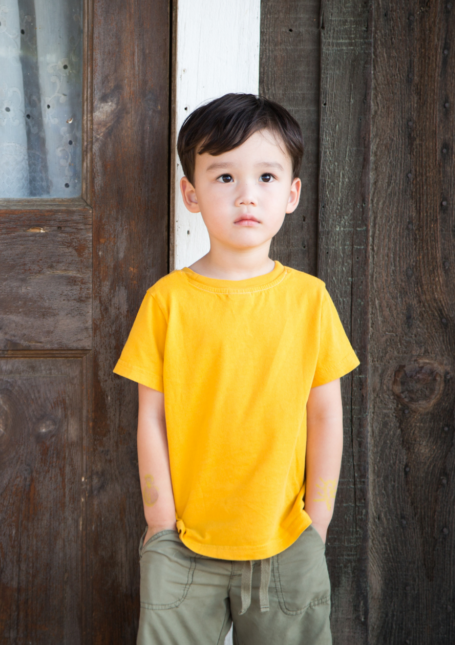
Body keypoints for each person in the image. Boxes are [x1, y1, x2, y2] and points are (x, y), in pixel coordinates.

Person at [113, 93, 359, 644]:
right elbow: (150, 418)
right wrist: (160, 524)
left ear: (292, 194)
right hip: (182, 544)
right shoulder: (167, 301)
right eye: (224, 177)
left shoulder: (309, 300)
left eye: (267, 177)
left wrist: (315, 525)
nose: (247, 195)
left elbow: (324, 418)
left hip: (286, 540)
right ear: (191, 194)